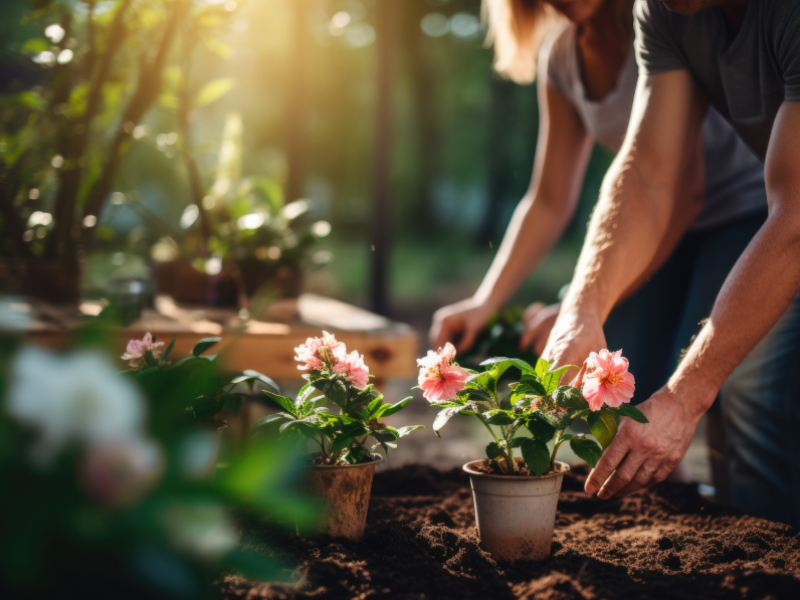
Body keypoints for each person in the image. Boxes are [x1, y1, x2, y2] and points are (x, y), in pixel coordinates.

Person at [432, 0, 767, 497]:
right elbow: (547, 200)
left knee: (716, 375)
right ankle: (677, 503)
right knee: (613, 376)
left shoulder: (661, 26)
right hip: (657, 229)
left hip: (740, 215)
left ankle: (750, 518)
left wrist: (579, 300)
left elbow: (681, 191)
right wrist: (488, 299)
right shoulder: (563, 59)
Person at [534, 0, 800, 530]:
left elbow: (795, 215)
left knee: (747, 383)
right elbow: (647, 175)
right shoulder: (663, 11)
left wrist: (683, 399)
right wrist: (580, 311)